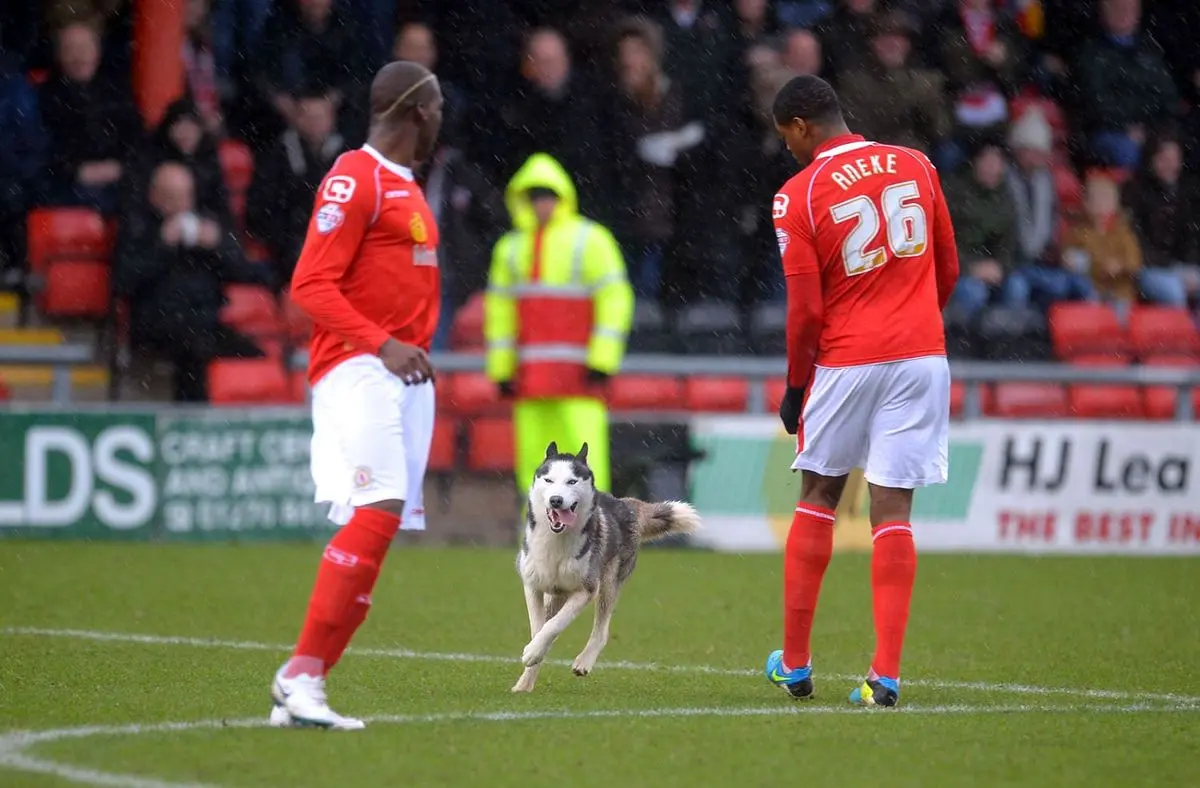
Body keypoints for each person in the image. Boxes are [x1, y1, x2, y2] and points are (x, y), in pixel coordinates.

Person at [765, 75, 959, 708]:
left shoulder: (800, 194)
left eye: (785, 137)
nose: (787, 149)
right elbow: (948, 269)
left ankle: (794, 665)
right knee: (893, 511)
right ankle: (885, 677)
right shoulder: (918, 165)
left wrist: (797, 386)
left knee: (819, 492)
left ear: (799, 126)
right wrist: (913, 322)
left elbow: (805, 314)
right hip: (921, 357)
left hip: (848, 359)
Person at [271, 60, 444, 731]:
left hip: (401, 376)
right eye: (439, 108)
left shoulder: (404, 183)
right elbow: (310, 285)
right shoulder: (356, 174)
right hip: (361, 367)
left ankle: (303, 683)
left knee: (384, 526)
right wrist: (382, 345)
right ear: (420, 112)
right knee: (377, 510)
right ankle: (302, 675)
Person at [483, 153, 633, 505]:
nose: (542, 204)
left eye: (548, 196)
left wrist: (603, 360)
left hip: (579, 377)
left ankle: (593, 533)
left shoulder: (590, 239)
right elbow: (500, 314)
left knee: (585, 462)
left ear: (562, 197)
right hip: (531, 377)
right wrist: (502, 370)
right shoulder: (510, 249)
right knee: (534, 465)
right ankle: (537, 538)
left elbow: (615, 300)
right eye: (534, 197)